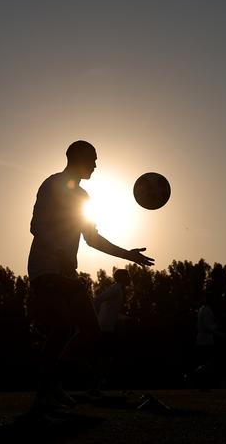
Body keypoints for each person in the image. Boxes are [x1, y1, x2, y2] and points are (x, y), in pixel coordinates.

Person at [27, 140, 154, 412]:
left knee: (91, 331)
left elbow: (92, 239)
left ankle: (53, 384)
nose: (96, 165)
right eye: (92, 159)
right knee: (62, 328)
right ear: (76, 157)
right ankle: (44, 393)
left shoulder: (83, 197)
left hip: (66, 271)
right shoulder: (52, 185)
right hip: (45, 268)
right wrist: (59, 250)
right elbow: (36, 225)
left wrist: (128, 254)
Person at [90, 268, 132, 395]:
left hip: (107, 329)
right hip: (105, 330)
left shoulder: (116, 289)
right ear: (123, 278)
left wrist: (125, 319)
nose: (130, 279)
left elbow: (111, 310)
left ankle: (96, 388)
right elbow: (97, 300)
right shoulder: (116, 289)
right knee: (106, 359)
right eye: (128, 276)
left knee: (107, 358)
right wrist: (94, 318)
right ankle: (95, 388)